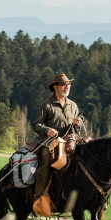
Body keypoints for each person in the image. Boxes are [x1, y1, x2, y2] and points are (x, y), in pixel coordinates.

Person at [32, 73, 84, 208]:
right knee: (46, 158)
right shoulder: (47, 105)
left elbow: (75, 128)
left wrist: (77, 124)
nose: (67, 87)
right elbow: (36, 125)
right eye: (64, 84)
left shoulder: (73, 105)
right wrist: (47, 130)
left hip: (68, 139)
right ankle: (39, 196)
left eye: (69, 84)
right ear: (55, 87)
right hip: (49, 141)